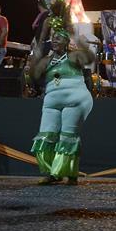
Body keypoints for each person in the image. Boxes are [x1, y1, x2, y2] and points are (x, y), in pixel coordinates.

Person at [29, 29, 95, 185]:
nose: (55, 40)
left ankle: (71, 173)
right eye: (53, 38)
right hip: (51, 102)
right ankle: (52, 173)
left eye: (59, 38)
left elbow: (90, 58)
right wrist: (36, 55)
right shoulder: (46, 60)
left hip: (75, 100)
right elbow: (34, 76)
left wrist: (79, 40)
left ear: (66, 42)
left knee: (68, 136)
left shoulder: (73, 56)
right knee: (45, 135)